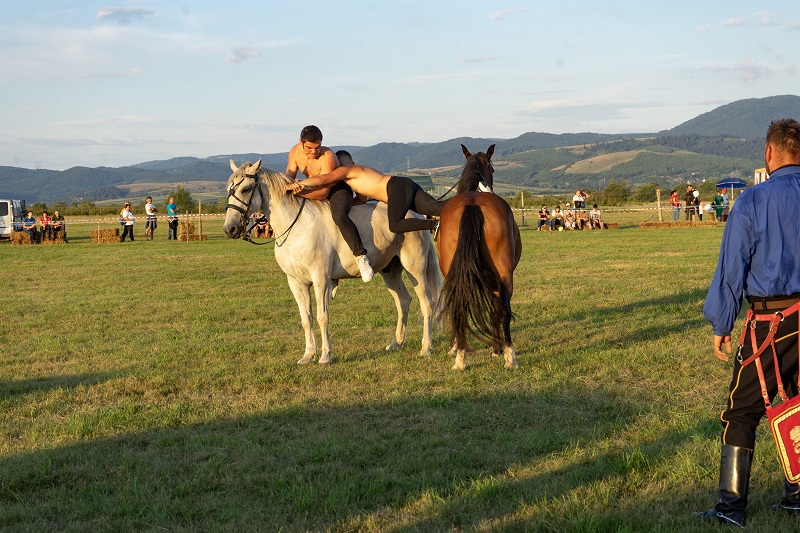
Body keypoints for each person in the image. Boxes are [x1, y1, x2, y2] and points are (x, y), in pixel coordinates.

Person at [696, 118, 800, 527]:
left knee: (742, 412)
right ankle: (796, 496)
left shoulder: (753, 201)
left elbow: (731, 268)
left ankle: (731, 507)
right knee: (798, 403)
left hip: (770, 324)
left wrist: (722, 323)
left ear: (769, 153)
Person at [286, 126, 372, 282]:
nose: (314, 151)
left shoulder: (328, 156)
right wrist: (288, 187)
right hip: (311, 187)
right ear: (301, 143)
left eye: (317, 147)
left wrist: (298, 191)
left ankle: (361, 257)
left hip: (336, 189)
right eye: (310, 148)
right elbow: (289, 175)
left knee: (339, 215)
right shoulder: (294, 152)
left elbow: (323, 193)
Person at [285, 163, 443, 236]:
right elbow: (360, 201)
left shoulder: (348, 170)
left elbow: (323, 179)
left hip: (395, 189)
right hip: (403, 185)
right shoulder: (357, 178)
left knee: (395, 225)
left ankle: (435, 224)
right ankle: (466, 203)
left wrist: (297, 184)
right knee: (437, 207)